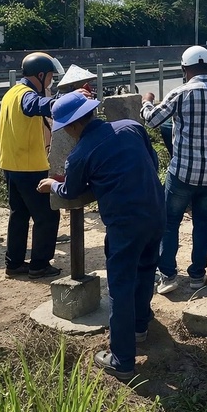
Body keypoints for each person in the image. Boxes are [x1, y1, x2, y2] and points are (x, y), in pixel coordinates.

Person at [37, 92, 165, 381]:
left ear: (70, 127)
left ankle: (121, 360)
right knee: (145, 270)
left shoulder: (80, 154)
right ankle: (139, 327)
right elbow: (152, 163)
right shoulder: (131, 127)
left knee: (120, 287)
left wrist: (52, 186)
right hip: (156, 211)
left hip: (125, 223)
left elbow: (71, 191)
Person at [141, 45, 207, 294]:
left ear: (185, 69)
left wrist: (147, 103)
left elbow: (153, 121)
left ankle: (167, 275)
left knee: (169, 222)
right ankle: (197, 275)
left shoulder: (182, 92)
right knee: (203, 224)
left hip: (183, 172)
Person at [0, 52, 65, 279]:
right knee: (47, 216)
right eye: (49, 77)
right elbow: (34, 106)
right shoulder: (26, 95)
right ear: (40, 74)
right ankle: (39, 265)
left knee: (19, 215)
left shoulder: (10, 93)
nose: (50, 82)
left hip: (10, 165)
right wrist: (66, 102)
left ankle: (14, 264)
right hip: (30, 168)